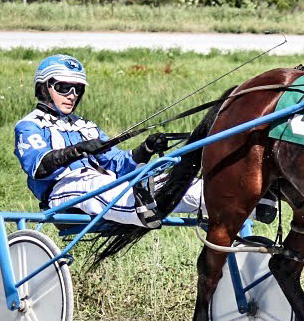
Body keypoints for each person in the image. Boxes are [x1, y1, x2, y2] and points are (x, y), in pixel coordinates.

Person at [15, 54, 204, 228]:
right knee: (97, 187)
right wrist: (79, 150)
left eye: (78, 89)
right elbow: (39, 167)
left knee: (178, 182)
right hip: (63, 191)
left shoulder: (85, 125)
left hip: (105, 183)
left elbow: (118, 164)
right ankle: (141, 207)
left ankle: (217, 201)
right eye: (64, 88)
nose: (72, 95)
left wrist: (146, 149)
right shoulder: (29, 126)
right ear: (43, 88)